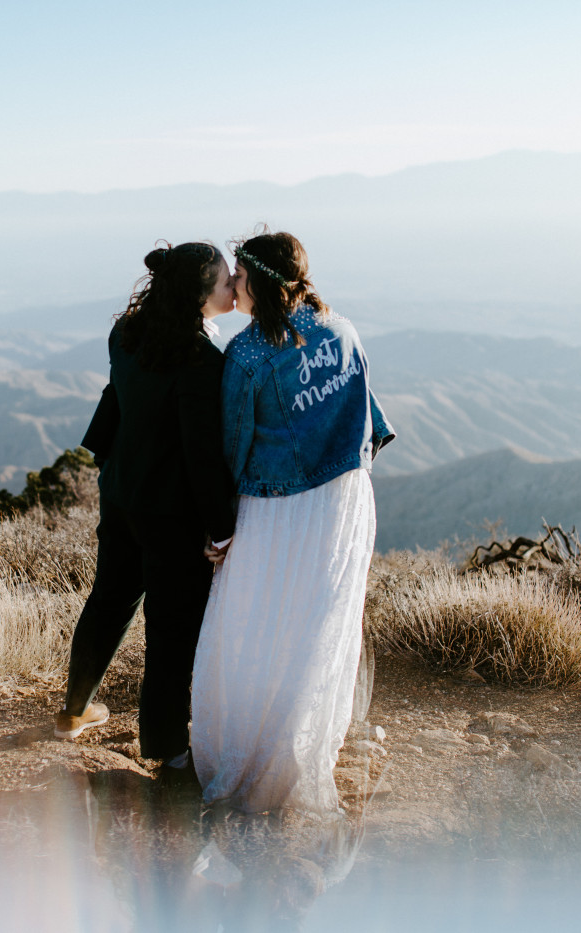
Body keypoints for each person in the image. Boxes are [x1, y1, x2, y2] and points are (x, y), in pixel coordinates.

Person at [191, 230, 395, 814]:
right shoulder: (342, 328)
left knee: (258, 620)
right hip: (346, 497)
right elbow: (368, 418)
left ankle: (255, 751)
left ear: (258, 280)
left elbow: (233, 445)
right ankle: (303, 744)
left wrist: (220, 525)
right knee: (317, 620)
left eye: (238, 276)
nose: (232, 285)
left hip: (281, 508)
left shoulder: (249, 354)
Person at [55, 241, 238, 769]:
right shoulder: (200, 358)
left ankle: (74, 711)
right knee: (170, 632)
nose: (233, 288)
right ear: (200, 293)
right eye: (226, 281)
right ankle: (166, 752)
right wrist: (222, 529)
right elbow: (201, 456)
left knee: (108, 601)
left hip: (120, 495)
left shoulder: (127, 333)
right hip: (172, 515)